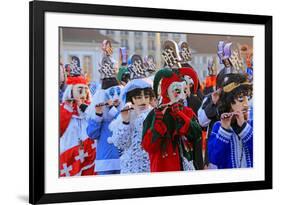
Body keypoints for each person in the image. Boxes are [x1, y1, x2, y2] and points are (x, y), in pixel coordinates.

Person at [141, 67, 203, 172]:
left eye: (184, 90)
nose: (182, 96)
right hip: (163, 169)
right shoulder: (154, 115)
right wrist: (159, 122)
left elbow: (196, 135)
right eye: (177, 91)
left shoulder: (187, 112)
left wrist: (180, 115)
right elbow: (148, 146)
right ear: (166, 92)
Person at [86, 40, 121, 175]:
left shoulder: (121, 98)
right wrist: (98, 115)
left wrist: (115, 109)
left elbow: (126, 124)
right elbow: (92, 134)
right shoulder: (99, 101)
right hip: (105, 160)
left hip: (122, 157)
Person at [59, 57, 96, 177]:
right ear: (71, 90)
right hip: (70, 147)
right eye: (80, 90)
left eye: (86, 90)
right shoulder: (64, 108)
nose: (84, 94)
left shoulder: (90, 108)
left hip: (88, 151)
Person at [108, 78, 154, 173]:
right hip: (130, 168)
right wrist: (125, 121)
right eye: (138, 97)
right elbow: (120, 144)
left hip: (150, 166)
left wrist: (140, 115)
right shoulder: (127, 115)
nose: (143, 100)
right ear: (131, 99)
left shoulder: (154, 115)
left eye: (146, 96)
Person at [208, 73, 253, 169]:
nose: (246, 104)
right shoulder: (218, 127)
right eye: (241, 99)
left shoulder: (252, 125)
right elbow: (214, 159)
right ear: (229, 102)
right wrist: (224, 130)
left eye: (247, 98)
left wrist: (244, 128)